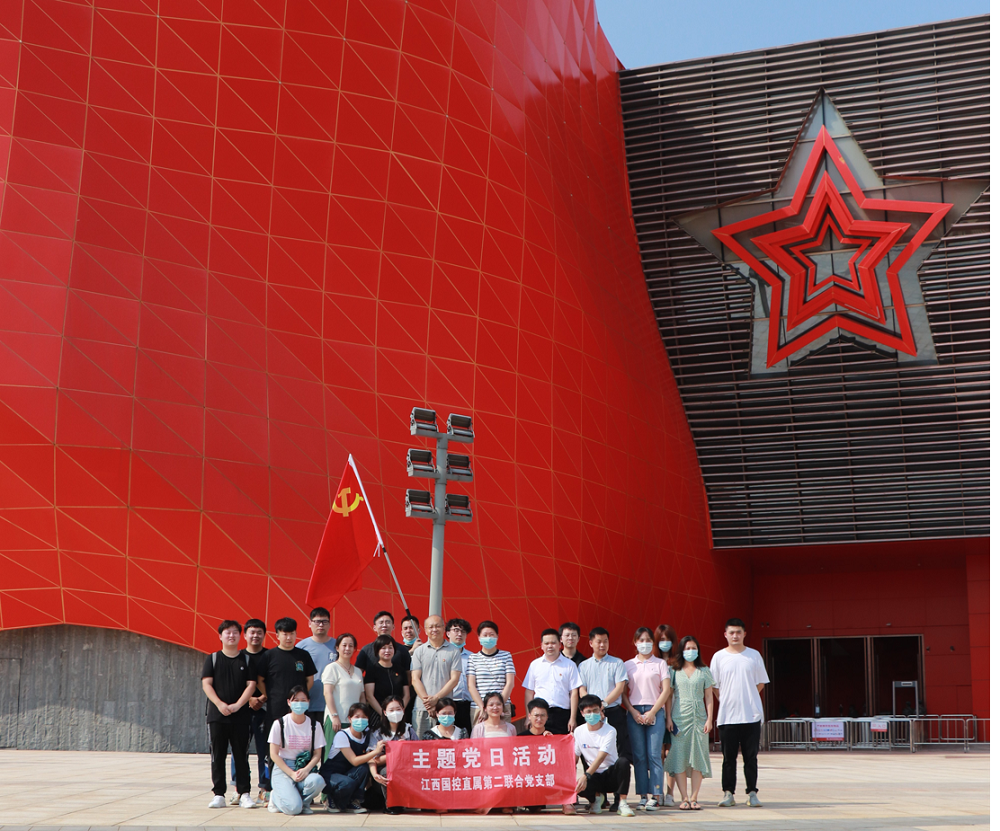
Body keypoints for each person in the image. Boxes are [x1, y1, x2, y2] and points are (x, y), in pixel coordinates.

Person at [711, 618, 769, 808]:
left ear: (744, 634)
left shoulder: (754, 655)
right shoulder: (719, 657)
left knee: (750, 758)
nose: (735, 636)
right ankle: (728, 793)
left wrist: (748, 697)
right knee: (728, 758)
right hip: (727, 716)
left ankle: (752, 793)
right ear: (725, 635)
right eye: (731, 632)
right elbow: (714, 686)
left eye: (738, 632)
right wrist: (727, 699)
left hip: (751, 715)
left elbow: (760, 683)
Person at [255, 618, 317, 792]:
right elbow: (259, 680)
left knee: (299, 747)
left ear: (296, 634)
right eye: (285, 634)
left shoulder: (303, 655)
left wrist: (299, 699)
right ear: (277, 635)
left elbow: (309, 680)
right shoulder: (269, 656)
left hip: (299, 712)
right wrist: (270, 695)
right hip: (275, 709)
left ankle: (299, 785)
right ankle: (269, 788)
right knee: (273, 749)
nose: (288, 638)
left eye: (292, 634)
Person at [202, 620, 257, 809]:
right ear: (220, 636)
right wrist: (220, 704)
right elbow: (206, 684)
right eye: (227, 632)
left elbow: (251, 685)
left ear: (240, 636)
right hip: (217, 716)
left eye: (235, 632)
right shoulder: (213, 658)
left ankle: (244, 793)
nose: (231, 635)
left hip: (240, 716)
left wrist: (238, 705)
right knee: (217, 755)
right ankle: (219, 794)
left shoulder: (246, 660)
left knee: (241, 755)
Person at [578, 626, 630, 811]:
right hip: (591, 714)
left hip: (613, 711)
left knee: (619, 754)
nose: (602, 645)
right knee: (589, 752)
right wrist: (591, 708)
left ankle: (619, 799)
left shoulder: (617, 663)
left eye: (605, 641)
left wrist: (603, 705)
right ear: (591, 643)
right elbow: (582, 689)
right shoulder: (584, 665)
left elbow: (620, 687)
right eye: (598, 641)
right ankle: (598, 797)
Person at [623, 627, 670, 811]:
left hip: (655, 711)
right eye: (641, 640)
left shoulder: (660, 663)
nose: (645, 643)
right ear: (635, 642)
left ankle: (656, 795)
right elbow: (623, 692)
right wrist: (633, 711)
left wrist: (653, 712)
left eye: (648, 640)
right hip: (634, 712)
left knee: (654, 755)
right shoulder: (628, 664)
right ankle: (643, 795)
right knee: (639, 756)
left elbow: (666, 690)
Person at [666, 636, 714, 810]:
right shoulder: (674, 670)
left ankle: (694, 797)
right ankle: (684, 798)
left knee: (697, 756)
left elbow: (708, 696)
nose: (690, 651)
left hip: (699, 718)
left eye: (693, 648)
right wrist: (668, 718)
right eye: (687, 648)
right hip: (679, 718)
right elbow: (669, 696)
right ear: (681, 650)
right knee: (679, 756)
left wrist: (709, 719)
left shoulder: (704, 670)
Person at [266, 686, 325, 815]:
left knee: (318, 781)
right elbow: (273, 754)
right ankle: (275, 797)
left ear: (308, 702)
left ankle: (304, 803)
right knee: (293, 809)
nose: (299, 703)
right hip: (283, 768)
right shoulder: (280, 724)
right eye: (296, 700)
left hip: (303, 767)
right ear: (289, 702)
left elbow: (317, 754)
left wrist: (306, 769)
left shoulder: (315, 725)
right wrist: (291, 773)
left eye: (303, 700)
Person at [573, 695, 635, 817]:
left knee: (623, 762)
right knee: (578, 786)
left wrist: (585, 775)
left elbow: (601, 757)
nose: (592, 714)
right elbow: (574, 757)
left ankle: (622, 803)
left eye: (595, 710)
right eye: (588, 711)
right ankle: (596, 799)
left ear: (601, 710)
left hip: (611, 775)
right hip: (594, 776)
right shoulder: (579, 731)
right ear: (582, 713)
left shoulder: (610, 730)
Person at [320, 702, 384, 813]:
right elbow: (354, 761)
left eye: (364, 717)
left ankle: (353, 801)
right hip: (331, 775)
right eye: (357, 717)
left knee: (364, 768)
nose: (360, 720)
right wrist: (376, 751)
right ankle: (332, 800)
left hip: (348, 773)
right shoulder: (342, 735)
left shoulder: (366, 735)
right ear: (350, 719)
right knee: (347, 783)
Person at [410, 615, 462, 737]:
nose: (434, 629)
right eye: (431, 627)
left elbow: (454, 679)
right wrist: (428, 704)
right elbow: (415, 679)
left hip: (445, 709)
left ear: (444, 628)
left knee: (444, 744)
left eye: (438, 626)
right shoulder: (419, 651)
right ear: (425, 630)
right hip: (422, 708)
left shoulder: (454, 651)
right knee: (420, 743)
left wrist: (437, 698)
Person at [523, 628, 582, 735]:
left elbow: (574, 693)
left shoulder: (570, 665)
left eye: (553, 643)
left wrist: (572, 718)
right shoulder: (535, 665)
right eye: (546, 643)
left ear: (559, 644)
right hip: (539, 715)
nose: (550, 646)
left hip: (562, 714)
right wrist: (529, 716)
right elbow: (529, 692)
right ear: (541, 645)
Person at [368, 695, 418, 813]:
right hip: (385, 773)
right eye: (391, 710)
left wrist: (407, 748)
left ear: (403, 710)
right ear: (385, 712)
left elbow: (418, 752)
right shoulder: (377, 733)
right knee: (388, 772)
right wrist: (396, 752)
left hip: (406, 769)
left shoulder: (409, 730)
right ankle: (391, 804)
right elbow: (374, 759)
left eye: (398, 709)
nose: (395, 713)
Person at [239, 618, 269, 805]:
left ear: (264, 635)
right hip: (242, 709)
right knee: (239, 749)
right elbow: (234, 683)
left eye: (259, 632)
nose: (255, 636)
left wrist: (262, 698)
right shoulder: (238, 656)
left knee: (264, 750)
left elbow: (274, 682)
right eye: (252, 632)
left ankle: (264, 788)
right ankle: (240, 789)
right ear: (245, 635)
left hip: (265, 709)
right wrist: (249, 699)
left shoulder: (270, 656)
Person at [467, 619, 515, 724]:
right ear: (479, 637)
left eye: (491, 635)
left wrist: (498, 705)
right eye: (485, 635)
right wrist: (483, 707)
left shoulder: (506, 656)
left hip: (502, 707)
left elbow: (510, 683)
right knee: (479, 734)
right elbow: (471, 685)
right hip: (479, 708)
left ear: (497, 636)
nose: (488, 638)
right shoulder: (473, 658)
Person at [295, 607, 337, 727]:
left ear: (329, 624)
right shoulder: (301, 647)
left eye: (324, 621)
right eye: (317, 621)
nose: (321, 625)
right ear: (310, 623)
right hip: (307, 703)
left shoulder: (337, 646)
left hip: (331, 705)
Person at [322, 633, 364, 749]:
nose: (347, 648)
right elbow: (327, 693)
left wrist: (362, 717)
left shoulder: (358, 671)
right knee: (332, 754)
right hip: (336, 720)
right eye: (344, 645)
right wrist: (335, 716)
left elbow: (362, 696)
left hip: (354, 722)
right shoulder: (332, 668)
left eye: (351, 646)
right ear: (337, 648)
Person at [654, 623, 680, 806]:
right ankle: (658, 792)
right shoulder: (653, 662)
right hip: (656, 713)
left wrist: (670, 716)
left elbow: (671, 693)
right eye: (661, 639)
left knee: (671, 753)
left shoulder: (678, 663)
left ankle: (670, 793)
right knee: (658, 754)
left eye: (668, 639)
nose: (665, 643)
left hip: (675, 713)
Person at [364, 635, 411, 717]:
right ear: (377, 650)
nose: (387, 651)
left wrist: (399, 710)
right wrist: (384, 714)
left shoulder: (400, 670)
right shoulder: (372, 670)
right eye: (383, 648)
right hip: (378, 714)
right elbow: (369, 696)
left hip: (398, 715)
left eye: (390, 647)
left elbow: (407, 695)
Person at [355, 610, 412, 677]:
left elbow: (408, 675)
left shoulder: (402, 650)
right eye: (381, 622)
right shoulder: (366, 650)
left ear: (393, 626)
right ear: (374, 627)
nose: (384, 625)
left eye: (387, 622)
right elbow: (357, 674)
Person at [445, 617, 474, 732]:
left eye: (463, 631)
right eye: (456, 630)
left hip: (468, 704)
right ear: (448, 633)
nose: (459, 634)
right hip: (448, 704)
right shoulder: (442, 655)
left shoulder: (472, 657)